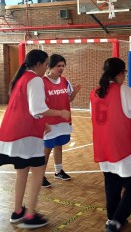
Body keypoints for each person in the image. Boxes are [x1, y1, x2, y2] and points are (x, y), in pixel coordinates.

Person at [0, 49, 70, 229]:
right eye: (47, 64)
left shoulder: (22, 78)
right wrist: (59, 112)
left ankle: (17, 212)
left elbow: (26, 108)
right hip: (26, 136)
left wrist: (44, 124)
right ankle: (30, 215)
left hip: (11, 133)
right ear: (38, 65)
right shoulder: (35, 80)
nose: (47, 68)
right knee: (38, 173)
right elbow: (37, 109)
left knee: (22, 171)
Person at [90, 57, 131, 232]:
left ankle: (112, 218)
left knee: (111, 183)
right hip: (122, 147)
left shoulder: (95, 92)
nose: (125, 76)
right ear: (119, 74)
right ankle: (117, 220)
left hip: (103, 146)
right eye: (124, 73)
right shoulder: (125, 91)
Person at [42, 54, 81, 188]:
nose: (61, 68)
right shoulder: (42, 82)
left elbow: (68, 99)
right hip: (49, 122)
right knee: (46, 149)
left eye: (63, 66)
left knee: (59, 146)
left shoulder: (65, 81)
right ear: (50, 66)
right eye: (58, 66)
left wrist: (74, 92)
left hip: (63, 121)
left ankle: (58, 171)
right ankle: (40, 175)